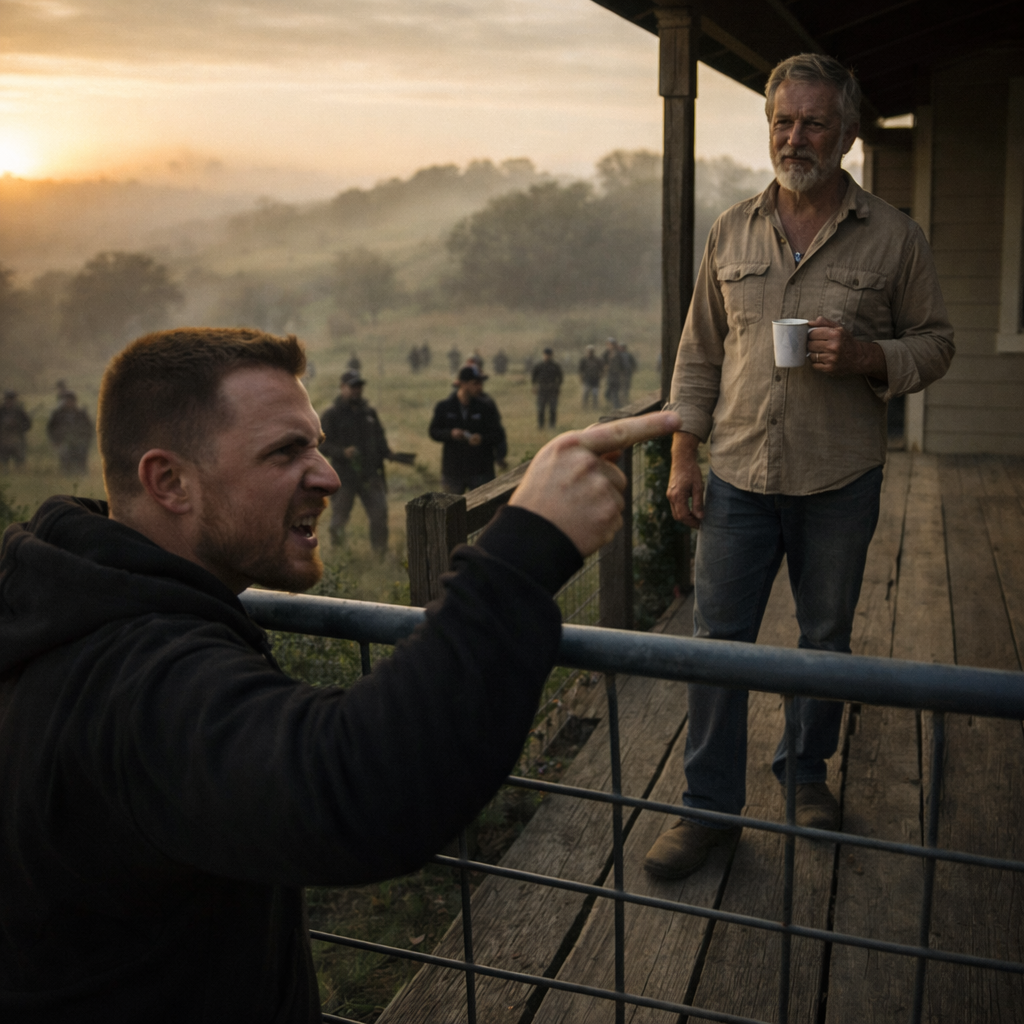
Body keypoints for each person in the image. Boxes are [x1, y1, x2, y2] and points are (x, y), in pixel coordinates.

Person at [0, 324, 681, 1020]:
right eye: (286, 451)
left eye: (318, 444)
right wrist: (525, 548)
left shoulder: (78, 601)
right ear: (169, 480)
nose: (327, 475)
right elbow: (352, 788)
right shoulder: (134, 679)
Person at [642, 53, 955, 882]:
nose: (796, 136)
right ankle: (709, 812)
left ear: (847, 134)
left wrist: (865, 355)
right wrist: (683, 453)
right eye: (784, 120)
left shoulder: (895, 237)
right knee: (718, 647)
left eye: (815, 121)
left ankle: (805, 776)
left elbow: (936, 344)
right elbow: (698, 355)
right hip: (740, 474)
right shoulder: (731, 230)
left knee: (823, 641)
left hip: (839, 481)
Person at [320, 369, 393, 556]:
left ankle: (380, 555)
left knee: (379, 516)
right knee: (339, 521)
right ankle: (339, 557)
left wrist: (387, 453)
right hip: (343, 476)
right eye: (353, 387)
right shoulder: (332, 414)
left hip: (370, 474)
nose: (357, 390)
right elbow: (321, 444)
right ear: (342, 387)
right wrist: (342, 452)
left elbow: (379, 437)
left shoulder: (369, 413)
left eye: (359, 386)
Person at [429, 364, 506, 494]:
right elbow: (433, 431)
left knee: (484, 512)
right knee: (450, 512)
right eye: (475, 383)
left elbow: (498, 434)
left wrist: (482, 439)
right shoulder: (445, 407)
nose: (479, 387)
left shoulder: (486, 407)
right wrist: (450, 434)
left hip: (481, 471)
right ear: (463, 384)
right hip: (453, 471)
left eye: (481, 383)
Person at [46, 390, 93, 474]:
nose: (69, 402)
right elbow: (51, 428)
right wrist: (55, 441)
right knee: (65, 459)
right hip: (63, 441)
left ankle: (82, 474)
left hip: (79, 442)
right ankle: (67, 475)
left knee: (81, 460)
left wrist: (86, 441)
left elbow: (89, 428)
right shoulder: (57, 415)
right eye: (67, 400)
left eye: (71, 400)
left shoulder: (81, 414)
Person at [532, 347, 564, 429]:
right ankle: (540, 425)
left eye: (548, 355)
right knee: (541, 409)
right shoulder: (539, 366)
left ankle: (552, 425)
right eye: (546, 355)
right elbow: (534, 377)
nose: (547, 356)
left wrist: (557, 386)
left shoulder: (555, 366)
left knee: (552, 409)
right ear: (543, 355)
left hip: (552, 390)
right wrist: (534, 387)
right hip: (542, 390)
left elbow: (560, 377)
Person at [0, 391, 32, 468]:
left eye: (12, 399)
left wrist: (18, 426)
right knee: (4, 462)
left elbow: (28, 424)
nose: (9, 401)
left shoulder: (20, 411)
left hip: (17, 441)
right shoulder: (1, 411)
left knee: (19, 462)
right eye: (8, 399)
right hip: (3, 441)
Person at [603, 338, 626, 409]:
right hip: (610, 375)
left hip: (616, 376)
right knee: (608, 393)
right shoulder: (607, 353)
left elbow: (622, 365)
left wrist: (622, 374)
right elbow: (602, 360)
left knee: (614, 392)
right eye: (608, 344)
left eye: (610, 344)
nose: (609, 346)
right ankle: (617, 405)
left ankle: (616, 407)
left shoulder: (618, 354)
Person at [579, 345, 603, 409]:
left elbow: (601, 369)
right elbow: (581, 370)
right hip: (587, 379)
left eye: (591, 351)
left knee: (595, 394)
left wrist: (600, 376)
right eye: (589, 351)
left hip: (595, 380)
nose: (590, 353)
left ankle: (595, 406)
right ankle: (585, 406)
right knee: (585, 393)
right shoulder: (584, 360)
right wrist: (581, 378)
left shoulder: (597, 360)